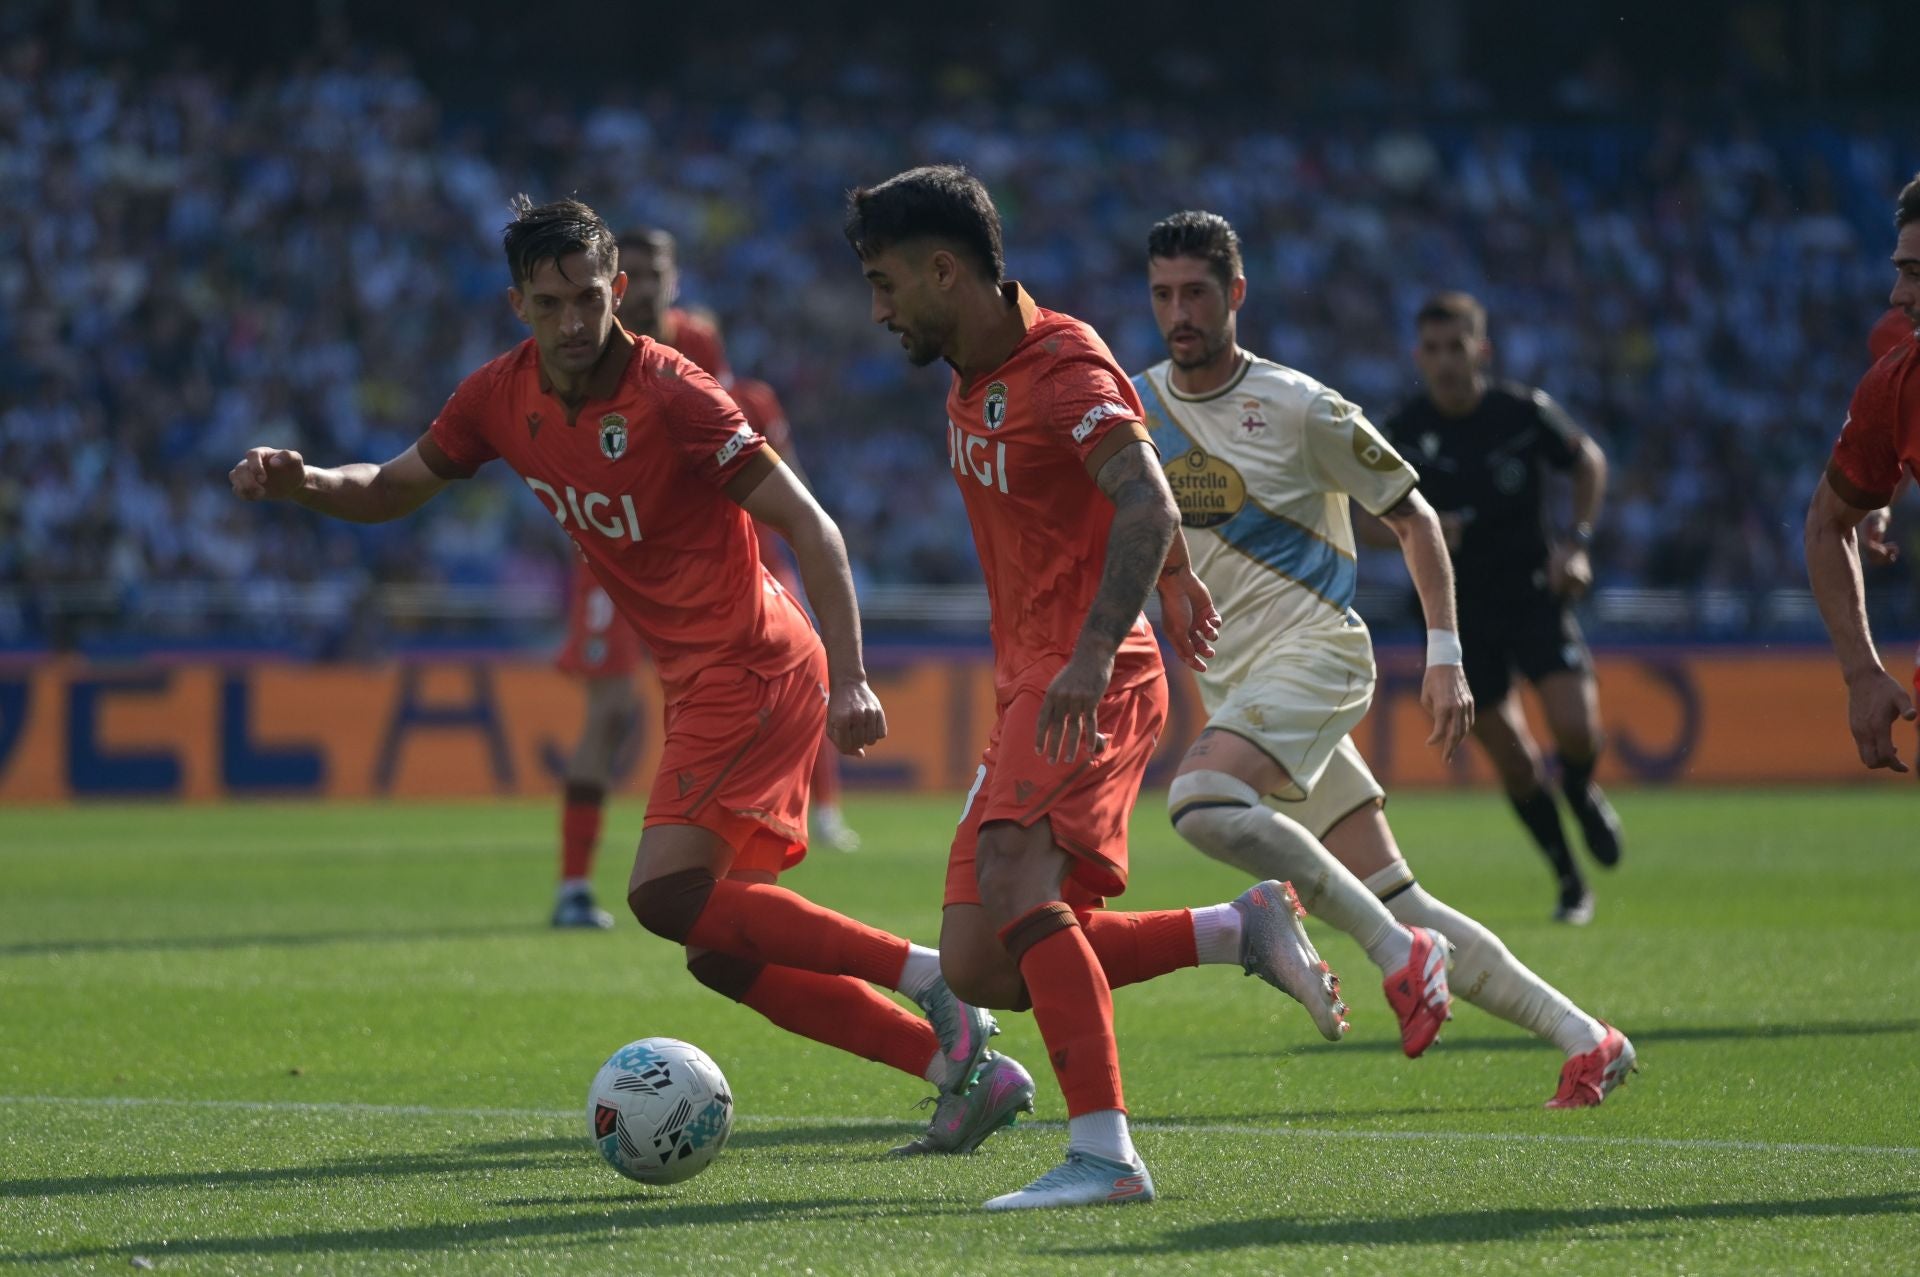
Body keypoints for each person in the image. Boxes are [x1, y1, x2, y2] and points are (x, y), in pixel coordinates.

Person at [230, 195, 1029, 1155]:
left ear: (618, 290)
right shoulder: (497, 395)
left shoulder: (674, 393)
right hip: (698, 680)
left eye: (590, 297)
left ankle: (933, 979)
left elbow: (811, 525)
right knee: (724, 955)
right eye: (551, 302)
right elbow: (394, 487)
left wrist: (855, 677)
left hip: (756, 664)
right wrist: (305, 481)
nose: (574, 322)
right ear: (518, 303)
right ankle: (960, 1071)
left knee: (660, 896)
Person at [847, 165, 1356, 1212]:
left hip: (1090, 673)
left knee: (1017, 881)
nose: (879, 306)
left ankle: (1105, 1151)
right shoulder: (973, 368)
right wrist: (1169, 583)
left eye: (888, 281)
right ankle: (1235, 927)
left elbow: (1146, 496)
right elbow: (1121, 486)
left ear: (947, 270)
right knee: (983, 961)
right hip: (1036, 676)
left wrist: (1099, 641)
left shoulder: (1060, 363)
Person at [1136, 210, 1634, 1109]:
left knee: (1203, 803)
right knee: (1397, 894)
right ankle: (1585, 1036)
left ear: (1235, 294)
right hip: (1245, 689)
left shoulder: (1301, 405)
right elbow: (1138, 528)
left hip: (1316, 658)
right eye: (1164, 293)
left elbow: (1415, 518)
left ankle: (1397, 957)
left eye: (1198, 293)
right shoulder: (1139, 408)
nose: (1180, 312)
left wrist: (1445, 653)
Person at [545, 230, 854, 931]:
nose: (650, 282)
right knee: (610, 711)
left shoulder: (699, 346)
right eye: (639, 270)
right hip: (614, 547)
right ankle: (572, 885)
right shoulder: (588, 343)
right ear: (620, 280)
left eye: (660, 269)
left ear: (672, 277)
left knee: (721, 684)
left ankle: (739, 855)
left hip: (694, 553)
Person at [1380, 293, 1623, 924]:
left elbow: (1588, 461)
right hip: (1454, 615)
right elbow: (1361, 517)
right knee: (1513, 757)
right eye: (1431, 350)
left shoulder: (1522, 412)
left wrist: (1578, 544)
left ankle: (1578, 785)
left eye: (1455, 347)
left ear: (1480, 350)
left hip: (1533, 594)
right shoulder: (1401, 430)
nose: (1443, 362)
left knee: (1576, 728)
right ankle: (1570, 881)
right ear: (1418, 355)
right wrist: (1419, 530)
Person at [1806, 175, 1920, 773]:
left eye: (1918, 274)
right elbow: (1827, 522)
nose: (1899, 293)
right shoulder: (1896, 379)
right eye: (1902, 268)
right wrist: (1863, 674)